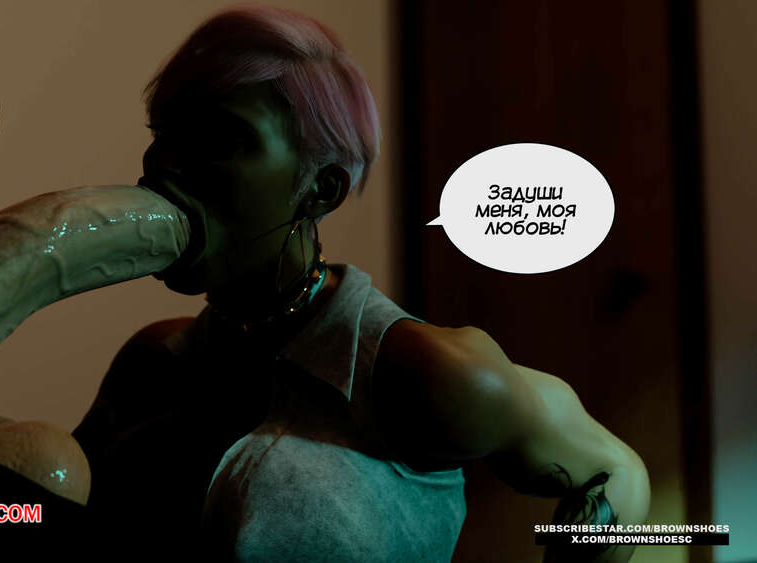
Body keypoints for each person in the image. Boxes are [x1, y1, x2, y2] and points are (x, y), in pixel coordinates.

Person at [72, 5, 650, 562]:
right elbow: (38, 515)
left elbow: (613, 470)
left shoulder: (429, 374)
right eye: (164, 133)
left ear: (321, 190)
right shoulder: (152, 366)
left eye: (220, 138)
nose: (164, 165)